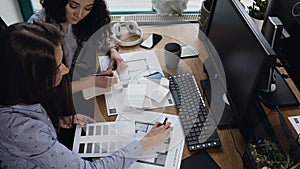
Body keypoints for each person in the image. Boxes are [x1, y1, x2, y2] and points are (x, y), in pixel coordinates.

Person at [0, 22, 171, 169]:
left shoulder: (17, 92)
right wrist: (144, 144)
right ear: (29, 79)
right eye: (56, 68)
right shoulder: (22, 130)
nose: (66, 70)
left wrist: (55, 121)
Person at [28, 0, 125, 119]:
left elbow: (98, 34)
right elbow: (46, 90)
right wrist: (92, 81)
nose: (79, 14)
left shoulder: (81, 18)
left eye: (87, 8)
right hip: (54, 101)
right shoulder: (38, 30)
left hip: (71, 78)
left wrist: (112, 50)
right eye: (73, 6)